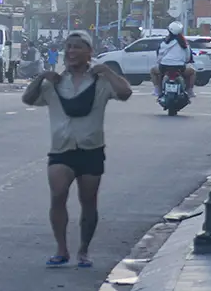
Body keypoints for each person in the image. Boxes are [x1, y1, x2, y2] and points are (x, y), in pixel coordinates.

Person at [21, 30, 132, 269]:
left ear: (89, 52)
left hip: (91, 149)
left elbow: (125, 93)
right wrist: (41, 77)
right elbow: (28, 99)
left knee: (88, 201)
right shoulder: (55, 82)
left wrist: (107, 71)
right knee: (58, 195)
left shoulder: (100, 81)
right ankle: (61, 249)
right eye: (68, 47)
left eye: (78, 47)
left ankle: (84, 250)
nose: (71, 52)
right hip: (61, 150)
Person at [150, 21, 195, 98]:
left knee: (153, 71)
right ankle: (189, 90)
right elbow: (188, 57)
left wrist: (160, 61)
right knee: (192, 72)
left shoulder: (165, 42)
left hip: (164, 66)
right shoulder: (184, 43)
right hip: (180, 67)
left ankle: (157, 89)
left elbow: (160, 54)